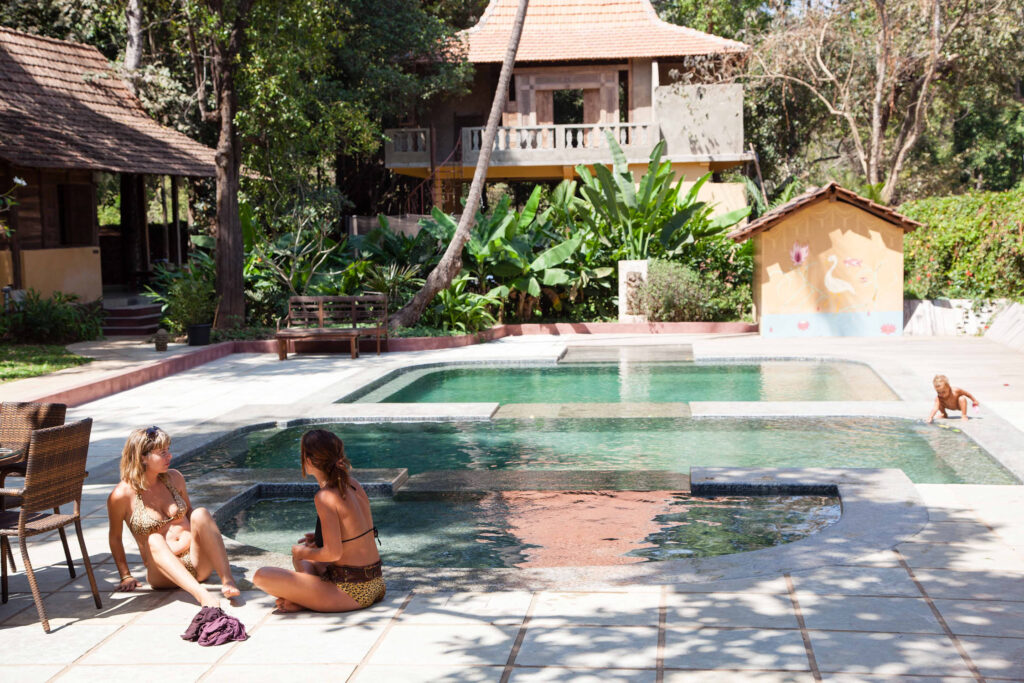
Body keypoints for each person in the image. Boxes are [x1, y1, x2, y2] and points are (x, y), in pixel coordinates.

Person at [253, 429, 384, 613]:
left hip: (354, 592)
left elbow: (333, 554)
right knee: (308, 559)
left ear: (308, 460)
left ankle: (303, 599)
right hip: (376, 583)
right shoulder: (353, 484)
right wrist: (319, 538)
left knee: (262, 575)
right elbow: (358, 531)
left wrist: (301, 551)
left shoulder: (325, 496)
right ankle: (304, 598)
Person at [107, 426, 240, 606]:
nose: (169, 456)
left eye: (168, 450)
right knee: (154, 539)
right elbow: (115, 537)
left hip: (197, 561)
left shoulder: (174, 478)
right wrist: (125, 576)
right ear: (143, 457)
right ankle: (202, 596)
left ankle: (228, 580)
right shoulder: (121, 495)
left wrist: (209, 530)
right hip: (164, 574)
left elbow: (192, 513)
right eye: (162, 453)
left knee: (201, 513)